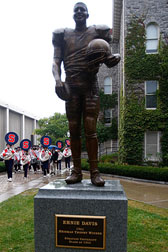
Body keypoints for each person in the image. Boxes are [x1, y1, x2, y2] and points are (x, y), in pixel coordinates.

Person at [52, 2, 120, 186]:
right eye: (76, 10)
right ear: (73, 15)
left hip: (90, 85)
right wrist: (58, 80)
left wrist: (114, 58)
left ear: (88, 14)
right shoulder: (62, 35)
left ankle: (95, 172)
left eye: (83, 9)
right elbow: (56, 61)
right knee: (73, 129)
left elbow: (109, 57)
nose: (80, 12)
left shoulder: (97, 32)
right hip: (71, 86)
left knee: (91, 129)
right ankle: (76, 171)